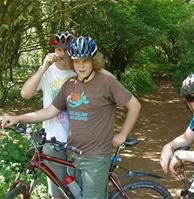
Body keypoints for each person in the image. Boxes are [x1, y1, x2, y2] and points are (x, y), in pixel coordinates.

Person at [1, 35, 141, 199]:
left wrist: (122, 134)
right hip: (73, 155)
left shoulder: (107, 82)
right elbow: (50, 111)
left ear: (93, 60)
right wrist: (18, 118)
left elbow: (135, 105)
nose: (81, 66)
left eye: (85, 61)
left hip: (95, 157)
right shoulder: (70, 84)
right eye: (77, 61)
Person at [20, 31, 76, 199]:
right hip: (53, 141)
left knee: (77, 190)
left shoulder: (80, 70)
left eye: (66, 49)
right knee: (57, 192)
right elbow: (25, 94)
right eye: (58, 49)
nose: (62, 53)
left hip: (78, 142)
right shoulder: (47, 71)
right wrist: (43, 67)